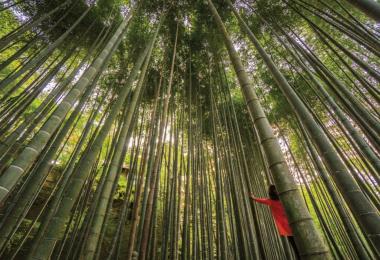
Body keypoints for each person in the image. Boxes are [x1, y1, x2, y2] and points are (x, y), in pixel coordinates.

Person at [250, 185, 300, 259]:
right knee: (295, 245)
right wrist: (253, 198)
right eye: (274, 190)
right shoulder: (271, 201)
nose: (276, 191)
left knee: (299, 243)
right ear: (272, 192)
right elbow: (261, 200)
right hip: (286, 226)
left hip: (295, 223)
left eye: (276, 189)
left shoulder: (284, 198)